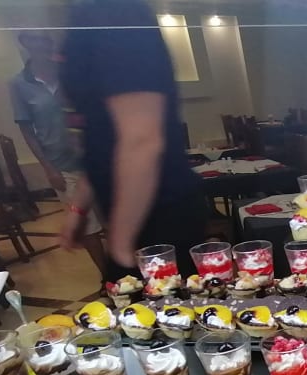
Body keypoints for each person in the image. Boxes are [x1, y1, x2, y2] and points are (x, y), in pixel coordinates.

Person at [60, 0, 205, 280]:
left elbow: (142, 140)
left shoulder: (116, 13)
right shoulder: (87, 14)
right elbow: (101, 135)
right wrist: (79, 208)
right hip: (135, 214)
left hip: (159, 214)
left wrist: (121, 245)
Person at [9, 31, 109, 281]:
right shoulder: (19, 84)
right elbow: (26, 129)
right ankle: (107, 278)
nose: (42, 43)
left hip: (97, 159)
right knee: (87, 225)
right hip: (61, 163)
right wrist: (48, 167)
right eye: (35, 38)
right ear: (24, 43)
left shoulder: (69, 73)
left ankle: (127, 271)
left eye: (45, 39)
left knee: (111, 217)